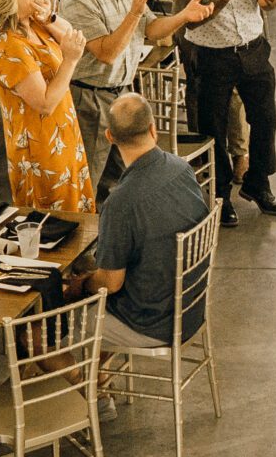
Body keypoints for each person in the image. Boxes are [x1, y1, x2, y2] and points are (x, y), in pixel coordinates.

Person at [56, 0, 209, 193]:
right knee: (89, 181)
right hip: (91, 101)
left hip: (123, 94)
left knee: (128, 176)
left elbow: (150, 28)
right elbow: (107, 53)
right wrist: (134, 14)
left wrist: (183, 16)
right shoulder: (78, 0)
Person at [169, 0, 276, 225]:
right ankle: (220, 196)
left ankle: (257, 183)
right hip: (210, 55)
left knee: (265, 120)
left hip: (252, 47)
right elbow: (184, 19)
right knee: (212, 128)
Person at [79, 93, 215, 352]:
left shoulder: (120, 203)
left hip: (148, 325)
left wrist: (81, 284)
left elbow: (110, 283)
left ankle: (85, 385)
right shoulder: (181, 168)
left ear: (110, 137)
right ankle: (99, 378)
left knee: (45, 325)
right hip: (189, 310)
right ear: (153, 129)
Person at [0, 0, 95, 228]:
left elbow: (74, 38)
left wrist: (49, 17)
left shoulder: (32, 23)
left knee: (77, 218)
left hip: (63, 137)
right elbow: (45, 103)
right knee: (54, 228)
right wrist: (70, 60)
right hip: (40, 152)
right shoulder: (7, 47)